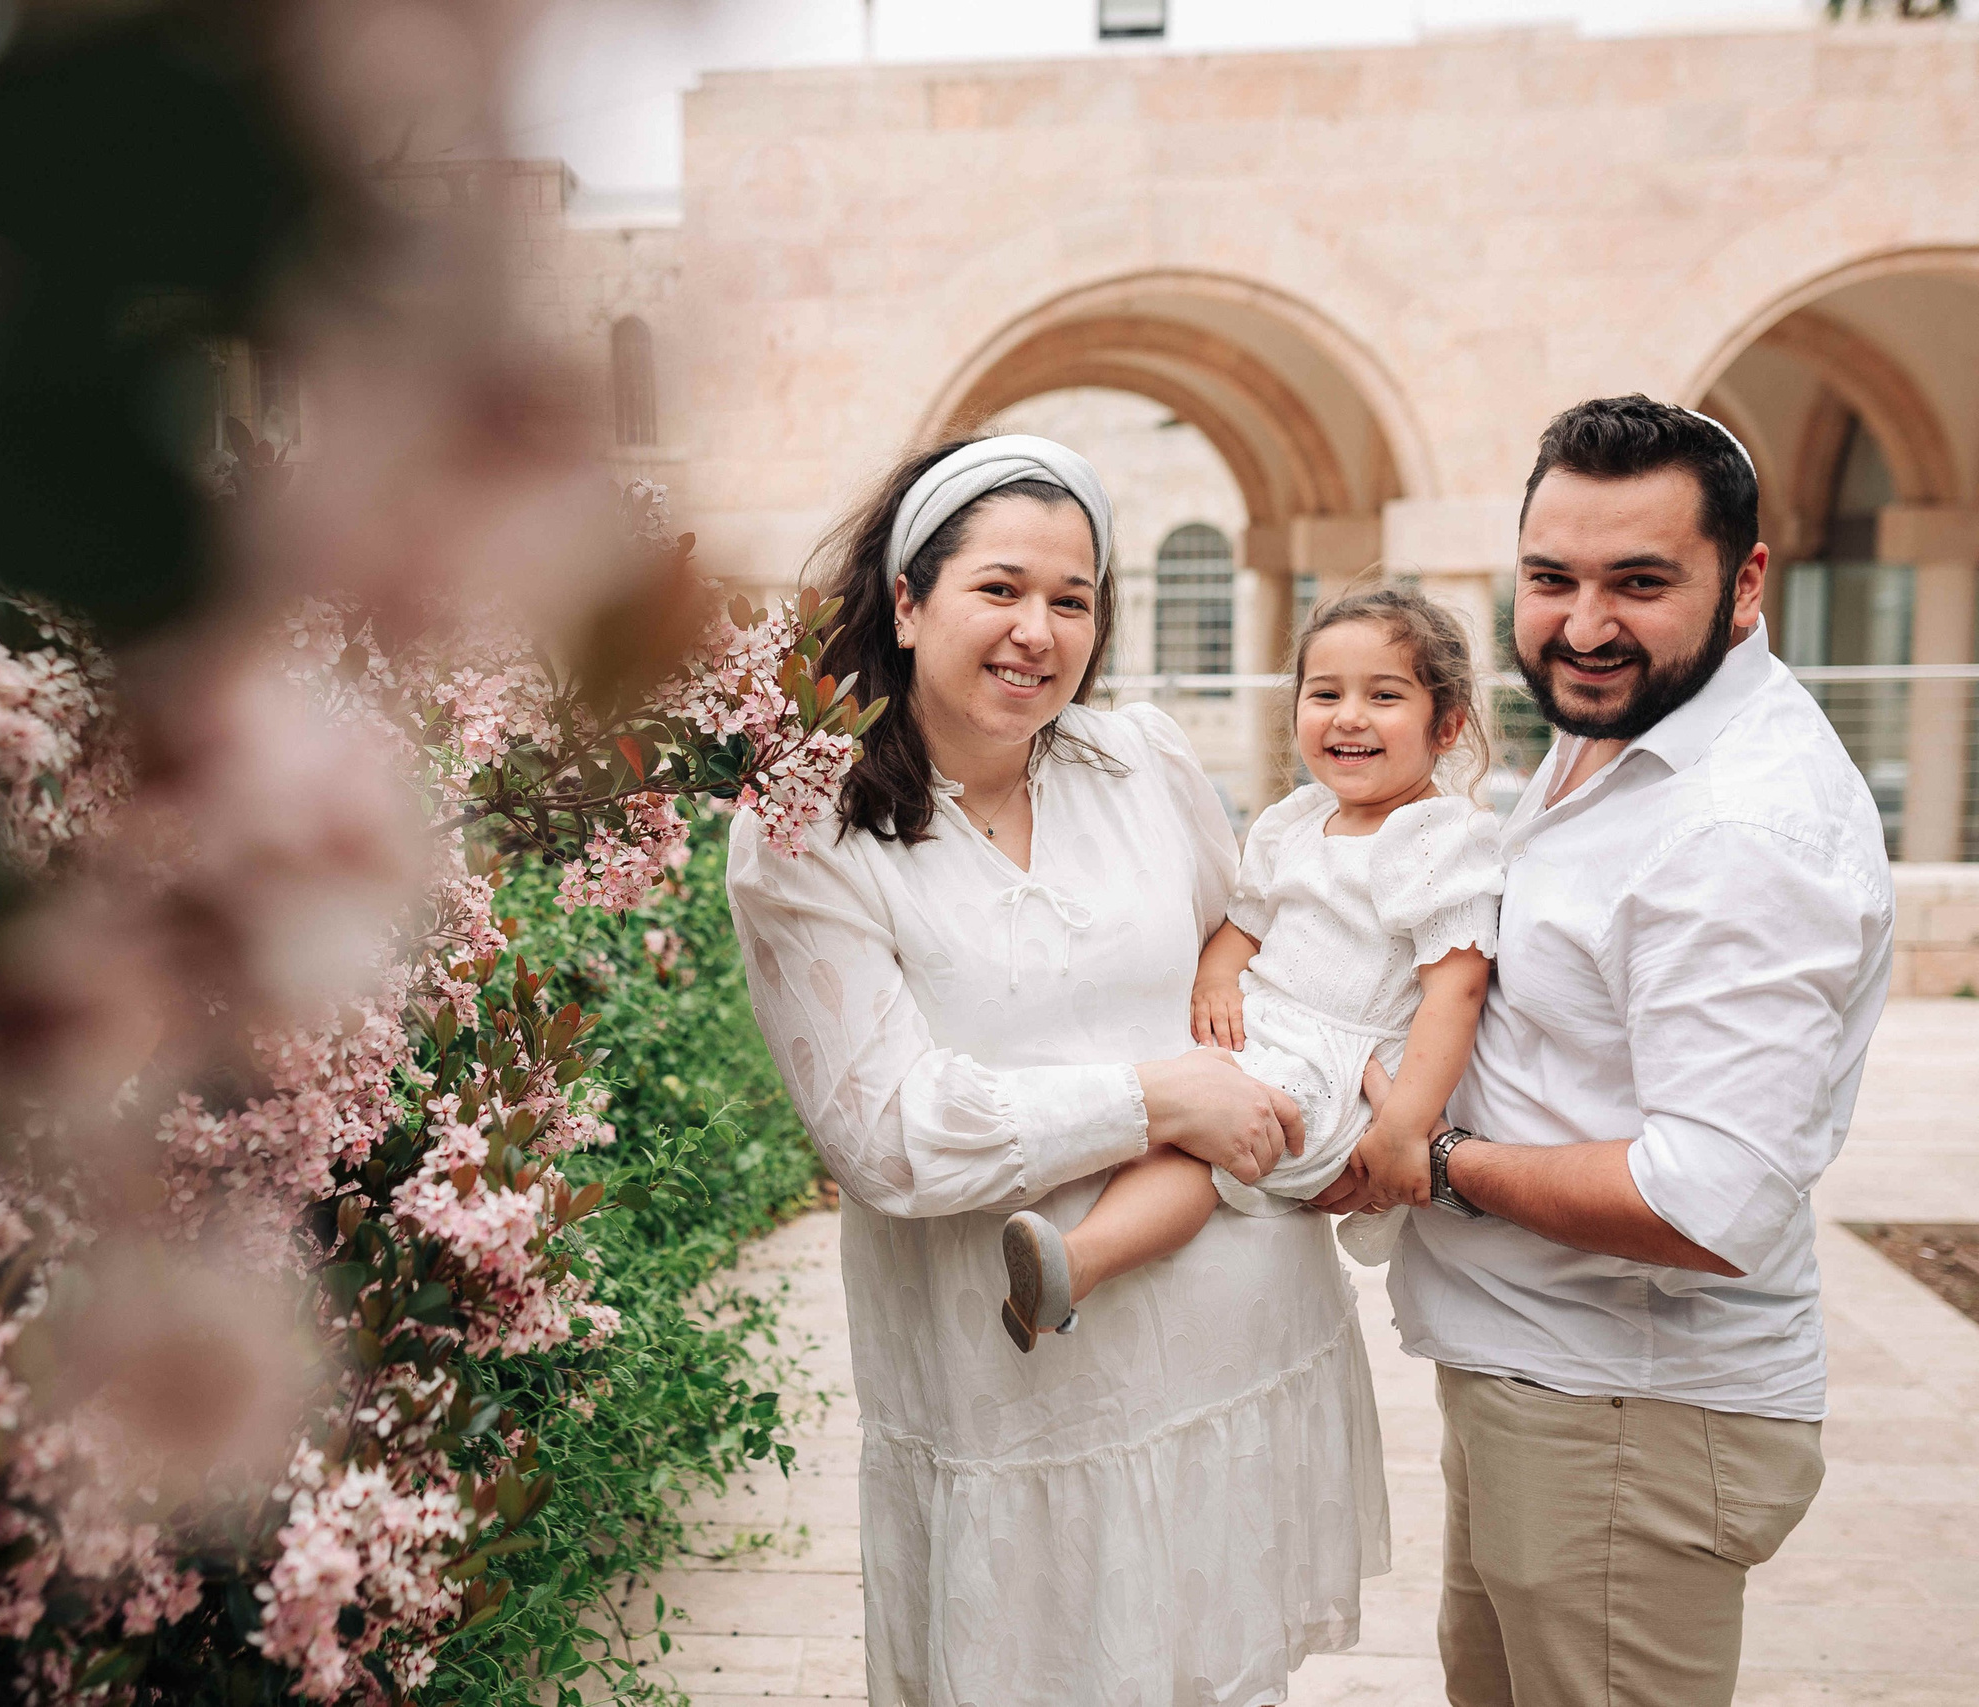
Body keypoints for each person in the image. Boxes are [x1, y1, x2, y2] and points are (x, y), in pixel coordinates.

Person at [726, 434, 1389, 1707]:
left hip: (1233, 1349)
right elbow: (884, 1132)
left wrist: (1330, 1098)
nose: (1039, 630)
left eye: (1073, 600)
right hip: (1013, 1401)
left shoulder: (1138, 762)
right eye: (1001, 588)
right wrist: (1155, 1097)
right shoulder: (806, 830)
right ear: (907, 603)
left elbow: (1249, 955)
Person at [1312, 396, 1896, 1707]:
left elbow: (1709, 1197)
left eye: (1640, 581)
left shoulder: (1744, 831)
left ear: (1747, 582)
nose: (1582, 625)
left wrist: (1440, 1157)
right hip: (1551, 1386)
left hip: (1630, 1416)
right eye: (1549, 577)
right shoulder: (1619, 719)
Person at [997, 586, 1501, 1352]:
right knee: (1171, 1101)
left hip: (1341, 1069)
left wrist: (1402, 1129)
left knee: (1205, 1146)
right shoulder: (1294, 822)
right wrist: (1215, 979)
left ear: (1449, 723)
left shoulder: (1437, 837)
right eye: (1325, 693)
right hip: (1269, 1031)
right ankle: (1067, 1237)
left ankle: (1078, 1261)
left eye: (1385, 695)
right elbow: (1243, 926)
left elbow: (1454, 991)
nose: (1349, 715)